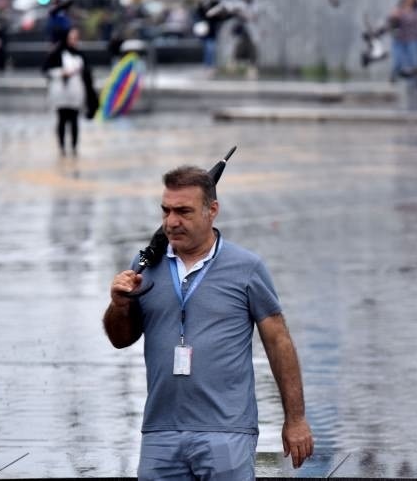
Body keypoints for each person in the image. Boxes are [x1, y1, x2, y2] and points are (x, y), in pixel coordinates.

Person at [103, 165, 314, 479]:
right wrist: (119, 306)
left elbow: (278, 341)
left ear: (211, 210)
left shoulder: (246, 267)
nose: (172, 222)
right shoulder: (145, 266)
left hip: (227, 431)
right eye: (166, 211)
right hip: (160, 432)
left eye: (184, 211)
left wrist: (295, 419)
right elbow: (120, 339)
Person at [42, 27, 97, 157]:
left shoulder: (80, 55)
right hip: (60, 92)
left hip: (76, 92)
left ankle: (74, 147)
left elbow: (87, 76)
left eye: (76, 38)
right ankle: (61, 147)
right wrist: (62, 73)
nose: (73, 41)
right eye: (71, 38)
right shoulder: (56, 53)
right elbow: (47, 70)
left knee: (74, 120)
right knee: (62, 119)